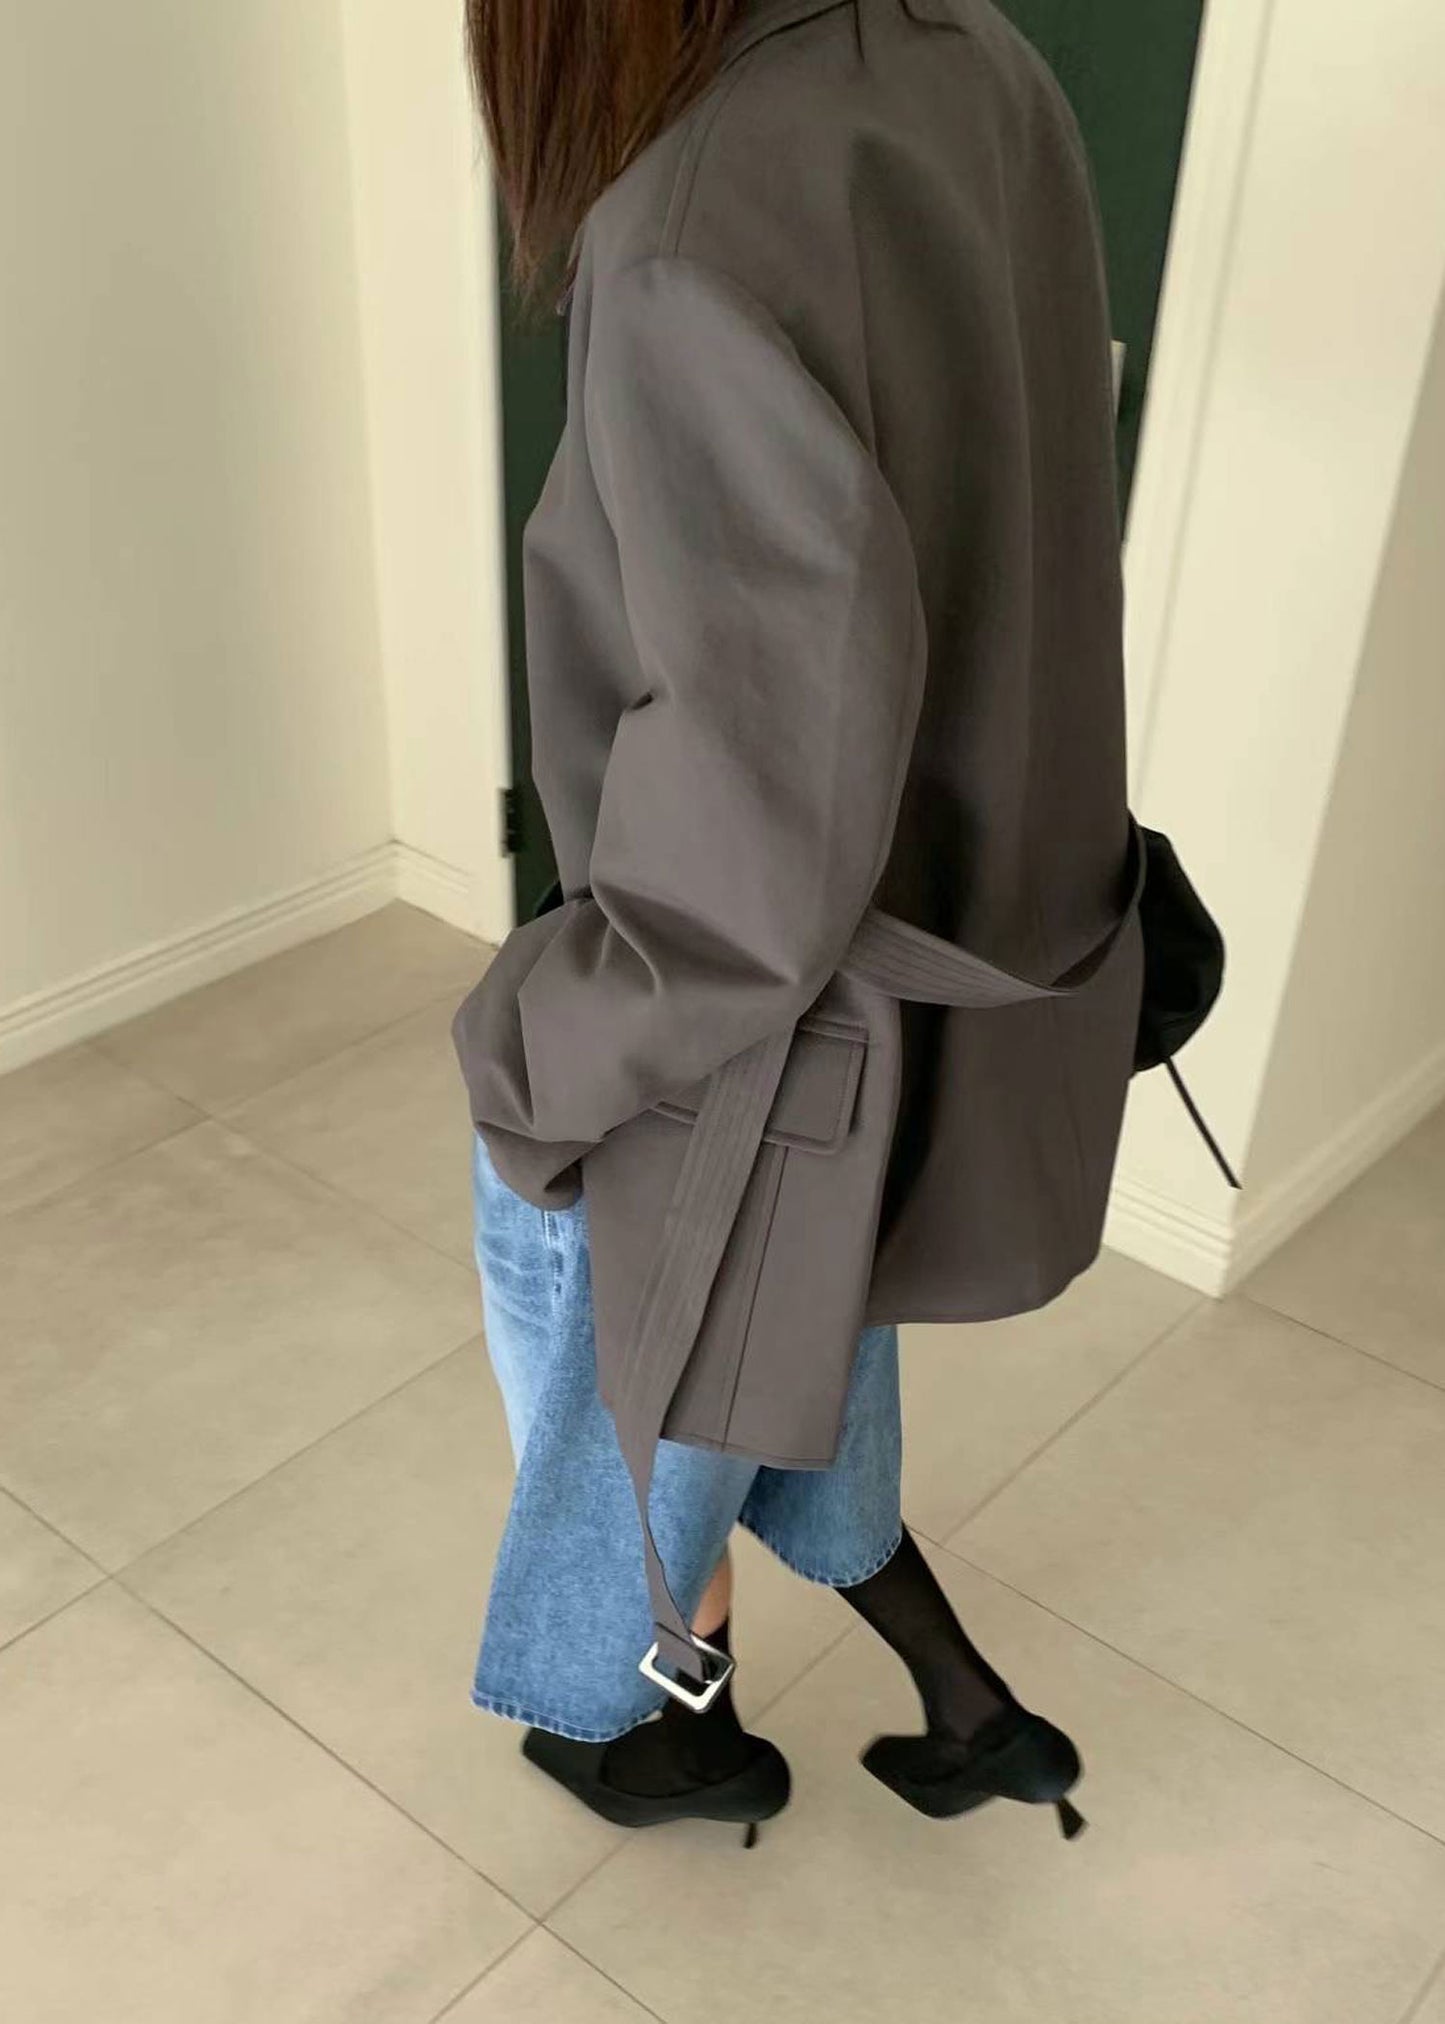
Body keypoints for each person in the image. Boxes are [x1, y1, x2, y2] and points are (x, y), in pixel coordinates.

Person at [452, 0, 1142, 1847]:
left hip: (747, 990)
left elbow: (748, 830)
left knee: (627, 1378)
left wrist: (534, 1050)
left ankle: (662, 1724)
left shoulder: (690, 211)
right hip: (906, 969)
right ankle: (968, 1711)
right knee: (792, 1338)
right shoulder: (968, 61)